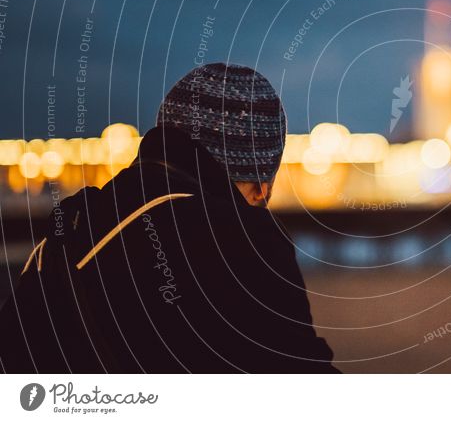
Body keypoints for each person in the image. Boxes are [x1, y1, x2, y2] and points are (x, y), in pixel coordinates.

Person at [0, 63, 338, 373]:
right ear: (258, 183)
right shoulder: (242, 237)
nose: (264, 199)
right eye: (264, 186)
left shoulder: (70, 232)